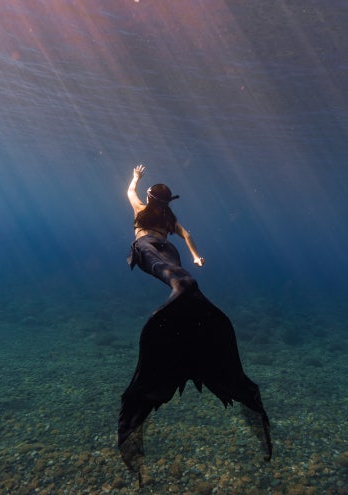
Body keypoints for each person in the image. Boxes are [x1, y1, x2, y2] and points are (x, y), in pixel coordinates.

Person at [118, 164, 272, 485]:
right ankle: (184, 289)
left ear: (152, 199)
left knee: (176, 277)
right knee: (181, 277)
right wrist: (196, 257)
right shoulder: (166, 218)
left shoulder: (144, 210)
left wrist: (136, 178)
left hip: (148, 247)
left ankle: (183, 291)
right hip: (164, 248)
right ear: (166, 202)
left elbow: (130, 192)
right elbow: (186, 234)